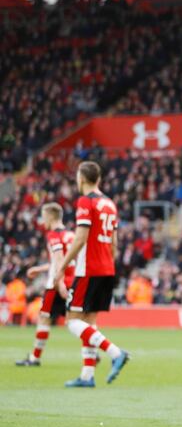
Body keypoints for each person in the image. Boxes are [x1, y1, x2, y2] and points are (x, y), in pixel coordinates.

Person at [56, 161, 130, 387]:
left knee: (72, 320)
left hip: (88, 268)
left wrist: (62, 267)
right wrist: (110, 264)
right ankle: (87, 376)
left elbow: (80, 238)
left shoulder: (85, 202)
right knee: (89, 322)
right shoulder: (110, 203)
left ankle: (115, 353)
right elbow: (114, 243)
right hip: (107, 267)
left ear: (81, 178)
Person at [16, 203, 75, 366]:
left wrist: (60, 282)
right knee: (74, 320)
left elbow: (58, 260)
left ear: (50, 217)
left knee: (44, 318)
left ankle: (35, 358)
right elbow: (65, 261)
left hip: (57, 283)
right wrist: (40, 268)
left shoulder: (53, 235)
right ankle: (92, 349)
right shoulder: (70, 235)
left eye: (43, 217)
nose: (42, 221)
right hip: (71, 280)